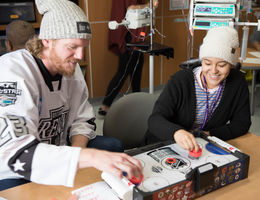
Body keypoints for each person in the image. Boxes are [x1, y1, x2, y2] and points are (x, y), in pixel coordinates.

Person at [0, 0, 142, 191]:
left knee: (113, 146)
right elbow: (19, 153)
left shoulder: (70, 69)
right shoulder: (12, 71)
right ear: (47, 41)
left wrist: (77, 153)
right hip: (15, 168)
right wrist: (89, 158)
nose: (80, 56)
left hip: (60, 149)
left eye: (84, 47)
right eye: (72, 47)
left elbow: (83, 121)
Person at [145, 26, 251, 152]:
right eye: (207, 63)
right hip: (165, 145)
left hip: (203, 147)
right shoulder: (181, 81)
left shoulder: (237, 82)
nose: (213, 71)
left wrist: (210, 134)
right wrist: (177, 133)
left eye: (222, 65)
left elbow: (242, 123)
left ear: (231, 64)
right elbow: (155, 120)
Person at [98, 0, 158, 116]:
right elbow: (131, 8)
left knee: (136, 70)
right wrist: (149, 5)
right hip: (128, 36)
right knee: (123, 72)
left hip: (133, 35)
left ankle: (137, 102)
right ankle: (105, 105)